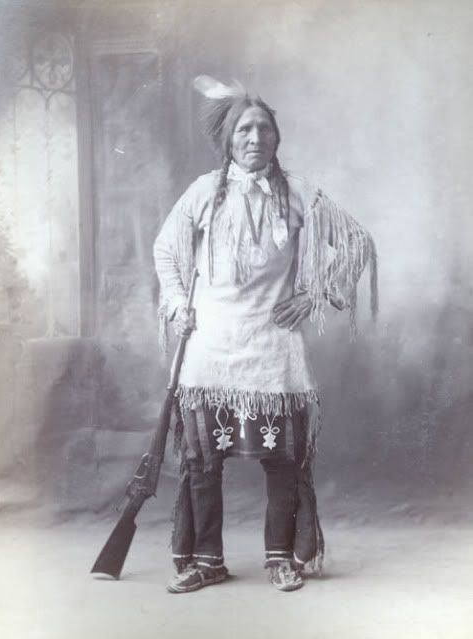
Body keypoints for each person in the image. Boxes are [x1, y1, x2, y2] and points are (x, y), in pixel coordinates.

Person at [153, 76, 378, 593]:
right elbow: (167, 251)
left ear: (278, 137)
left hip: (273, 349)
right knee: (202, 460)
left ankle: (282, 559)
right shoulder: (202, 193)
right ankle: (206, 560)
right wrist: (175, 303)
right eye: (245, 130)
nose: (255, 138)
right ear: (229, 139)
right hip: (209, 350)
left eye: (264, 128)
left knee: (282, 459)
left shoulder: (297, 193)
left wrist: (317, 292)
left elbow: (356, 243)